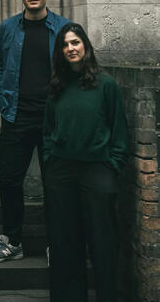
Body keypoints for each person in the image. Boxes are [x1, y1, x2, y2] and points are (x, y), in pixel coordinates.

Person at [43, 23, 128, 301]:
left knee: (103, 244)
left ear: (86, 46)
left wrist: (112, 165)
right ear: (60, 51)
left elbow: (119, 131)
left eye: (76, 43)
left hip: (98, 171)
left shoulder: (106, 85)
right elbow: (48, 130)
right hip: (61, 172)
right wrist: (50, 159)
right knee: (66, 245)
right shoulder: (56, 86)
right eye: (65, 44)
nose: (71, 48)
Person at [0, 0, 70, 263]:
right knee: (9, 180)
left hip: (53, 118)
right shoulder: (9, 28)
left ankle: (56, 244)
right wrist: (3, 100)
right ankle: (12, 241)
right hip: (17, 116)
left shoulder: (63, 28)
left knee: (55, 184)